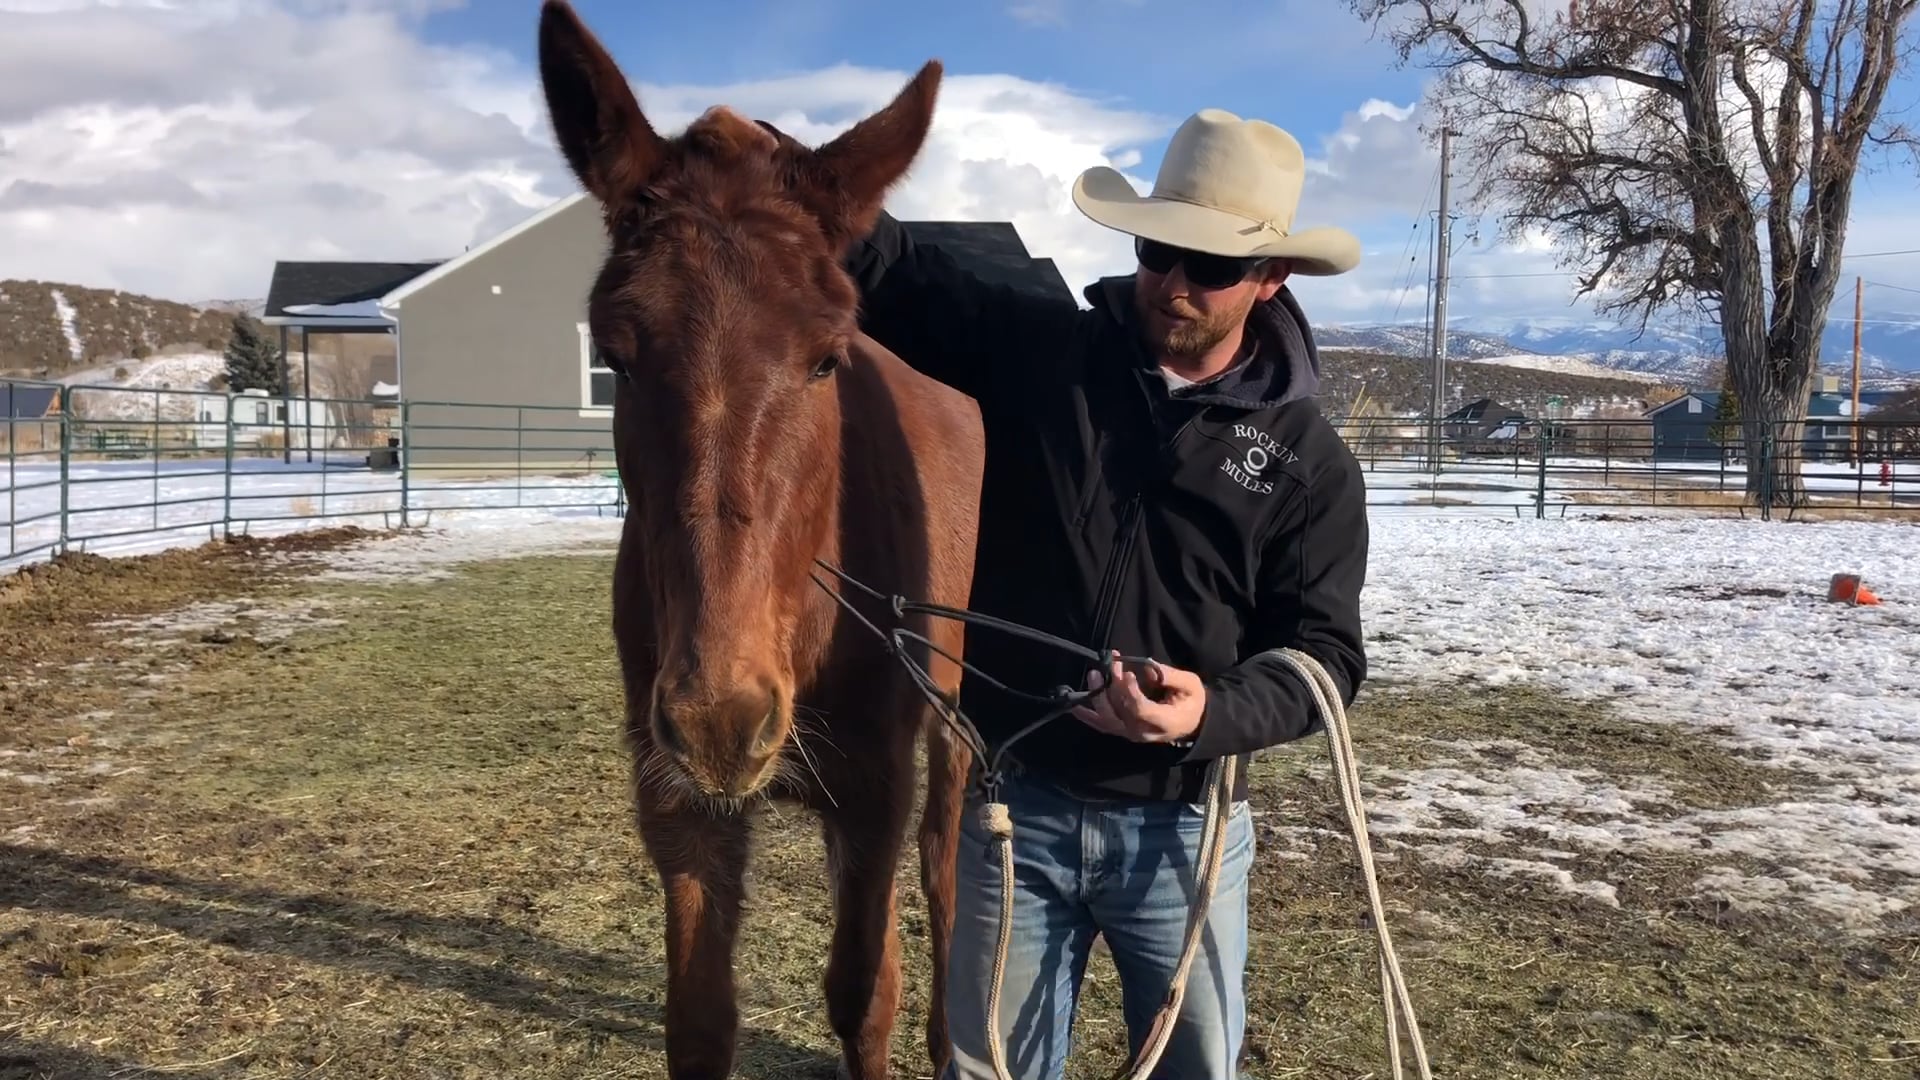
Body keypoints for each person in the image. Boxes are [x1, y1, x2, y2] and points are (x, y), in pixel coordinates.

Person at [841, 108, 1371, 1080]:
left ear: (1271, 278)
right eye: (1158, 249)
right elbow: (896, 274)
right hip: (1018, 811)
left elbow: (1325, 660)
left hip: (1182, 831)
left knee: (1192, 1067)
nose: (1172, 284)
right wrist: (792, 175)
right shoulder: (1041, 356)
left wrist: (1213, 709)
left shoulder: (1308, 467)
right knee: (988, 1068)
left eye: (1208, 267)